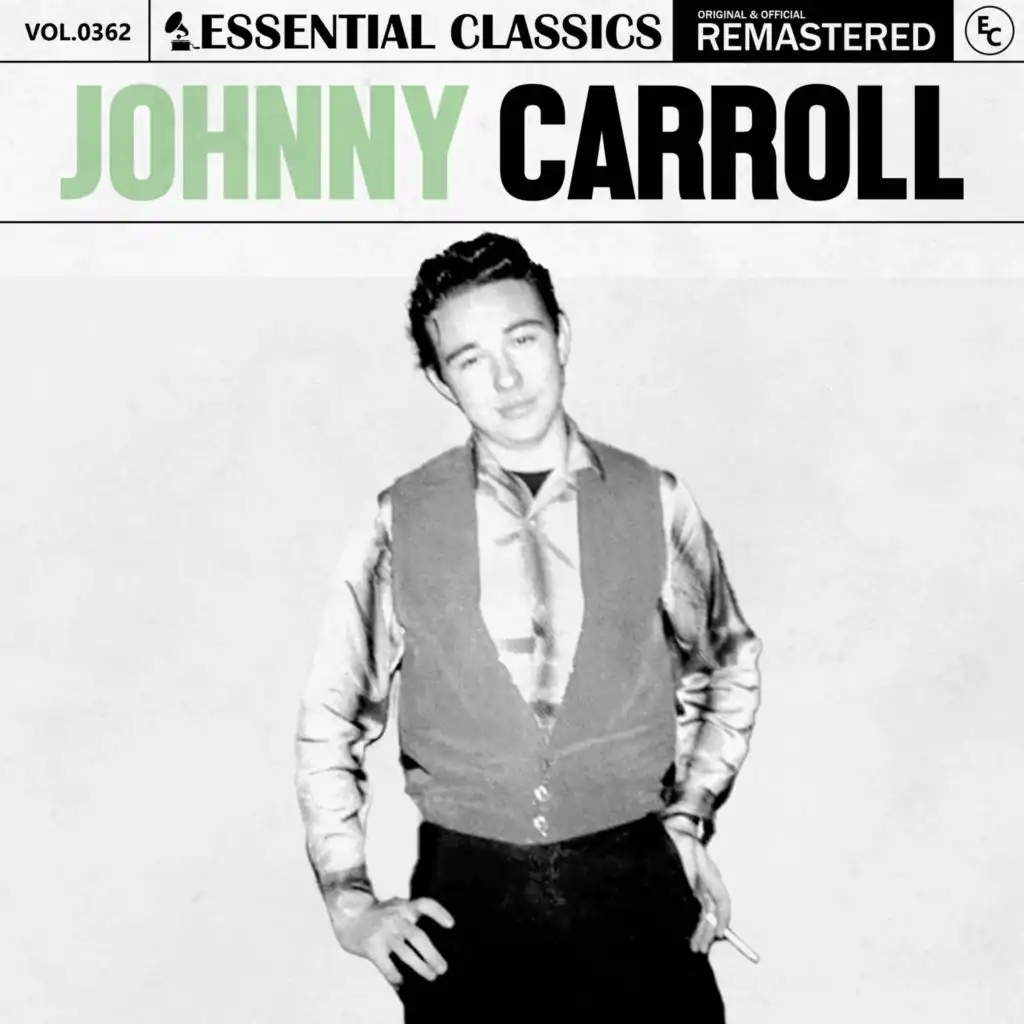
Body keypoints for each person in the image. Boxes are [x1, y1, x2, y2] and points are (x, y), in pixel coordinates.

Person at [294, 233, 763, 1022]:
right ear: (441, 380)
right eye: (470, 359)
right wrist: (349, 899)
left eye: (522, 340)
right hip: (468, 910)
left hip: (637, 893)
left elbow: (727, 664)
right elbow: (331, 715)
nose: (506, 379)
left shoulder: (655, 499)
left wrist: (688, 817)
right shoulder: (398, 520)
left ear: (561, 336)